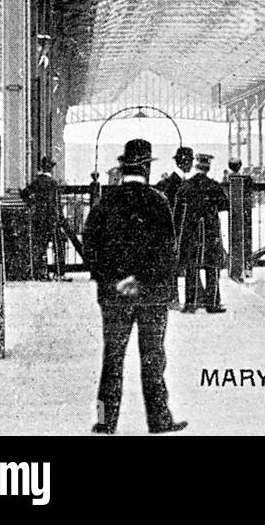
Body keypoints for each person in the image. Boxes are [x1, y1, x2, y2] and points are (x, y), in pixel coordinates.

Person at [84, 138, 187, 435]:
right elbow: (168, 251)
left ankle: (104, 422)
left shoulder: (105, 201)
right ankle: (160, 420)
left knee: (111, 360)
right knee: (153, 359)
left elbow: (90, 245)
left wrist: (115, 278)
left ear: (123, 167)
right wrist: (141, 279)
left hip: (114, 295)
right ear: (146, 168)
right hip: (152, 295)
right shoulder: (158, 201)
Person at [177, 153, 230, 314]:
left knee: (191, 267)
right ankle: (212, 303)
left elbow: (179, 207)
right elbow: (223, 205)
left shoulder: (187, 185)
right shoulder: (213, 185)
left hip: (191, 230)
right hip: (210, 230)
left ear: (196, 166)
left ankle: (190, 303)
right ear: (208, 168)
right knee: (212, 267)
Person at [156, 146, 194, 309]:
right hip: (177, 229)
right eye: (190, 161)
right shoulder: (178, 184)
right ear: (185, 163)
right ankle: (173, 299)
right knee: (175, 263)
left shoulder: (171, 182)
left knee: (175, 263)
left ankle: (175, 298)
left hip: (175, 229)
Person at [21, 156, 66, 281]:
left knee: (40, 246)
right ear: (51, 169)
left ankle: (40, 272)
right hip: (52, 218)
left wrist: (31, 204)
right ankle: (59, 273)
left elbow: (24, 193)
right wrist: (60, 217)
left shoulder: (37, 181)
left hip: (39, 217)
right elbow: (56, 202)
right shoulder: (53, 183)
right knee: (58, 245)